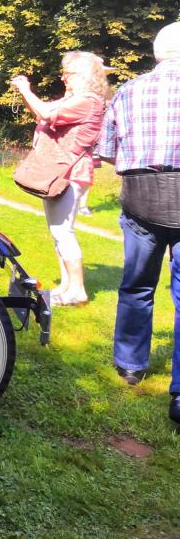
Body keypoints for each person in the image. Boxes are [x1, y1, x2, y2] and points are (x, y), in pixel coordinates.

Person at [98, 22, 180, 424]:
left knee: (136, 285)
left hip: (140, 198)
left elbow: (107, 152)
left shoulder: (128, 91)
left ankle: (130, 365)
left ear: (156, 54)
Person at [10, 51, 107, 307]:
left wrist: (24, 89)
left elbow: (45, 114)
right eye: (63, 73)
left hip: (69, 173)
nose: (64, 78)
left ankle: (77, 290)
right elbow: (42, 115)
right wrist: (30, 97)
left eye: (69, 73)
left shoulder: (89, 101)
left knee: (64, 231)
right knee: (58, 232)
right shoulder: (74, 99)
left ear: (85, 75)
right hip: (58, 171)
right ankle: (66, 286)